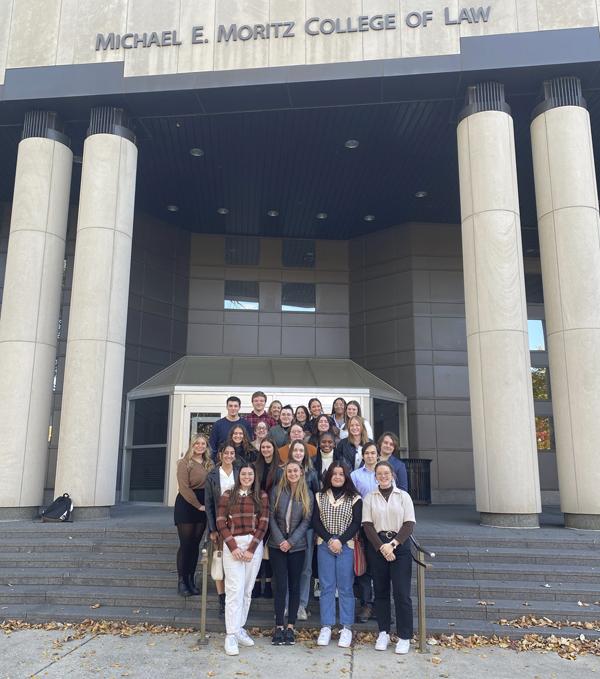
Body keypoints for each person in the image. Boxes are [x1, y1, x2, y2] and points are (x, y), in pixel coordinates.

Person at [362, 461, 416, 655]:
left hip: (399, 548)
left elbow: (409, 524)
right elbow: (367, 526)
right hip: (377, 548)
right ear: (375, 476)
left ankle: (404, 636)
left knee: (402, 593)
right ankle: (383, 632)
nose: (383, 476)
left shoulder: (404, 496)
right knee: (381, 593)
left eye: (386, 473)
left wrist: (392, 545)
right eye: (379, 474)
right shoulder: (369, 497)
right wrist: (382, 547)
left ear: (392, 474)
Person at [216, 463, 269, 656]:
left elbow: (264, 523)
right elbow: (220, 522)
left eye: (250, 474)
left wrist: (252, 549)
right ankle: (230, 635)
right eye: (244, 474)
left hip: (253, 545)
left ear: (254, 476)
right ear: (239, 476)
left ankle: (239, 628)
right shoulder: (228, 495)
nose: (247, 477)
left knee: (247, 590)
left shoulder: (261, 496)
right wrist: (233, 546)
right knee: (234, 590)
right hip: (233, 545)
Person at [312, 463, 362, 648]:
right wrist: (329, 540)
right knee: (326, 586)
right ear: (329, 476)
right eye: (334, 474)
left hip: (346, 545)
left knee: (345, 587)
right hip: (324, 545)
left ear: (346, 476)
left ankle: (346, 627)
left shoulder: (355, 498)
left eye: (341, 474)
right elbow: (315, 521)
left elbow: (356, 523)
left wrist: (340, 540)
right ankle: (326, 626)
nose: (338, 477)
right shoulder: (320, 496)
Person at [268, 460, 314, 645]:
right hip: (276, 545)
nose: (293, 474)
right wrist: (281, 540)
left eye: (296, 471)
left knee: (295, 586)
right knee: (280, 585)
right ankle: (279, 625)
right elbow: (270, 516)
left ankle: (290, 627)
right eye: (289, 471)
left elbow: (306, 521)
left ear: (301, 472)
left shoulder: (307, 493)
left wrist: (292, 541)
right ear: (285, 473)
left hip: (298, 546)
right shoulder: (277, 491)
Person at [174, 434, 214, 597]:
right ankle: (182, 581)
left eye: (203, 443)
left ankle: (191, 579)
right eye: (197, 443)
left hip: (203, 506)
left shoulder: (209, 464)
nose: (200, 446)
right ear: (192, 445)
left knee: (195, 545)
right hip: (187, 505)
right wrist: (198, 505)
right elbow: (183, 488)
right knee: (186, 545)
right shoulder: (184, 463)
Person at [287, 441, 319, 620]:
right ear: (291, 452)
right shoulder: (283, 471)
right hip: (286, 527)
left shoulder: (312, 474)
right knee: (286, 568)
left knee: (306, 568)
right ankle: (286, 604)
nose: (298, 453)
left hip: (306, 528)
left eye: (301, 450)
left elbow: (317, 502)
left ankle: (301, 605)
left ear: (305, 453)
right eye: (295, 450)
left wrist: (314, 529)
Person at [205, 443, 239, 616]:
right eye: (226, 453)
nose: (229, 456)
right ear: (220, 455)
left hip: (237, 523)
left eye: (232, 453)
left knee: (233, 561)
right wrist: (212, 529)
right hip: (219, 524)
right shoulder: (212, 475)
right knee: (219, 561)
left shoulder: (240, 472)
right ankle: (222, 599)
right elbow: (209, 504)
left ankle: (233, 598)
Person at [350, 441, 378, 623]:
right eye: (367, 453)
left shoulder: (385, 474)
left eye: (373, 453)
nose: (370, 456)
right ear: (363, 456)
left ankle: (381, 605)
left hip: (384, 528)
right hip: (363, 527)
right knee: (365, 569)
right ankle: (366, 604)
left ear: (377, 455)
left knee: (381, 568)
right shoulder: (355, 476)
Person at [252, 438, 281, 599]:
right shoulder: (256, 467)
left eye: (268, 446)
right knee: (256, 547)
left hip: (274, 511)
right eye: (263, 447)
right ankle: (256, 583)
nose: (265, 449)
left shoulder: (280, 468)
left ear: (273, 448)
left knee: (268, 550)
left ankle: (268, 584)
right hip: (257, 511)